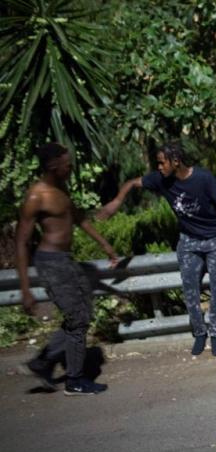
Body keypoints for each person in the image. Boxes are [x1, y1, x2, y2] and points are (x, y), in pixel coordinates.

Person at [98, 142, 216, 357]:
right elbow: (132, 183)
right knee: (190, 289)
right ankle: (200, 333)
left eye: (162, 163)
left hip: (215, 238)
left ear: (176, 161)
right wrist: (116, 202)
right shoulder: (160, 179)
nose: (159, 167)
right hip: (189, 241)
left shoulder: (203, 177)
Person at [17, 143, 119, 395]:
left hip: (66, 260)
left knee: (83, 312)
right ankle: (75, 379)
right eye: (68, 164)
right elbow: (21, 241)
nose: (71, 168)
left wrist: (104, 244)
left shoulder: (60, 188)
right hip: (50, 262)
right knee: (77, 319)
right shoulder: (36, 196)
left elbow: (78, 217)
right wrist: (25, 289)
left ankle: (43, 362)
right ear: (53, 165)